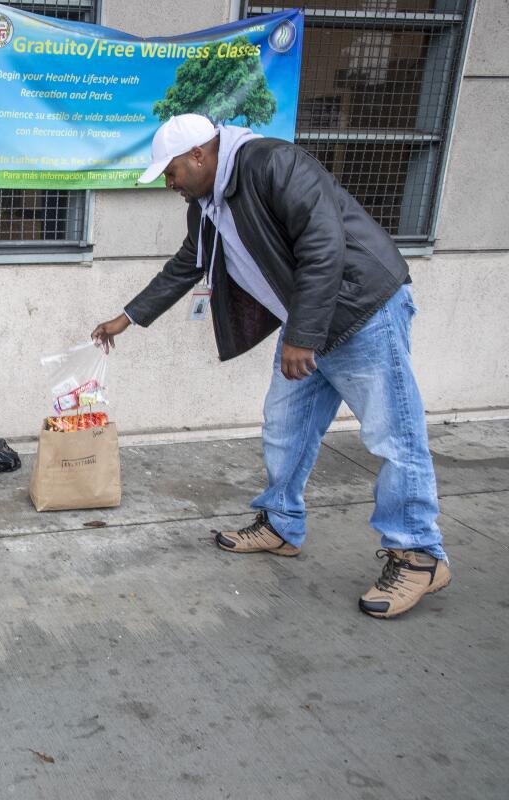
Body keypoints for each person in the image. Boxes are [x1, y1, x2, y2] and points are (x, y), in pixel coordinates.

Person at [91, 114, 449, 619]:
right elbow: (189, 262)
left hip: (361, 310)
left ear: (200, 155)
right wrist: (127, 318)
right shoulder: (207, 203)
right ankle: (281, 524)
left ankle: (419, 555)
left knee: (395, 435)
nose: (169, 184)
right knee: (285, 427)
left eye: (170, 172)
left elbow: (324, 242)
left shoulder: (274, 163)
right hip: (307, 321)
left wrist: (301, 334)